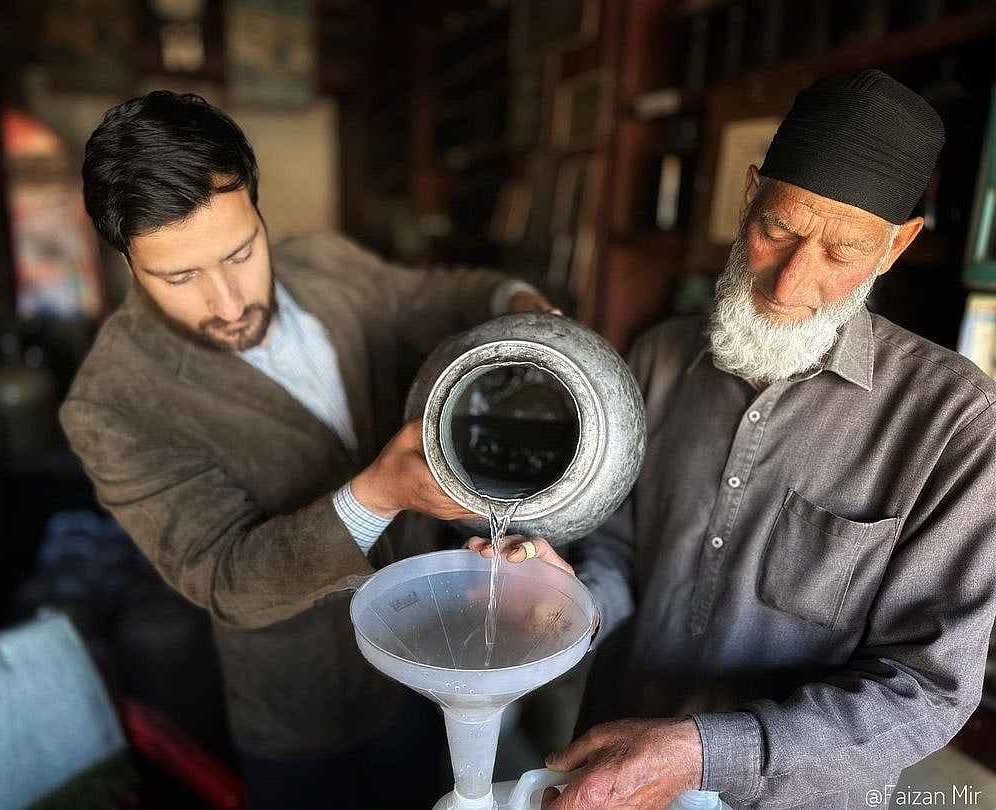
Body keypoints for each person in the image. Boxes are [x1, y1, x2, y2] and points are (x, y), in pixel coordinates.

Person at [472, 70, 996, 809]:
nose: (788, 282)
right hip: (605, 768)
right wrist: (565, 599)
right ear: (748, 193)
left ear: (896, 246)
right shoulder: (657, 356)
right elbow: (620, 548)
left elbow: (928, 689)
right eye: (776, 229)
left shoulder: (954, 422)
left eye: (841, 252)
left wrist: (702, 754)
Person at [62, 90, 557, 809]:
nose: (228, 301)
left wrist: (523, 309)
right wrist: (378, 492)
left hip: (431, 656)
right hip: (306, 716)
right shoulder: (112, 402)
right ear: (127, 265)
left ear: (260, 215)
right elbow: (227, 576)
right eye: (180, 278)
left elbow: (444, 295)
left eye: (240, 253)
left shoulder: (326, 265)